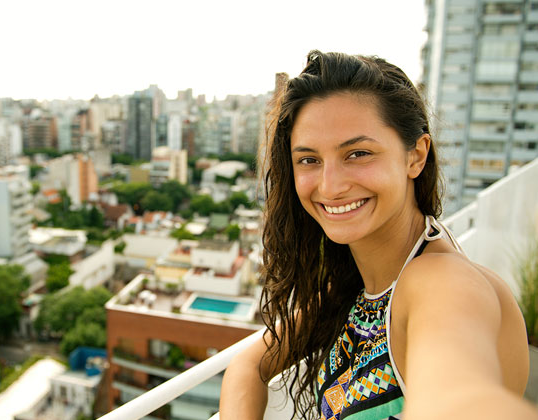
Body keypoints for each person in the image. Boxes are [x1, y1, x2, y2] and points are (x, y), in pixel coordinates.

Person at [219, 50, 536, 420]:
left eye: (357, 153)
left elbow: (460, 394)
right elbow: (248, 368)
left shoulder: (440, 281)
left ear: (416, 156)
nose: (330, 186)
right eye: (309, 159)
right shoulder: (357, 286)